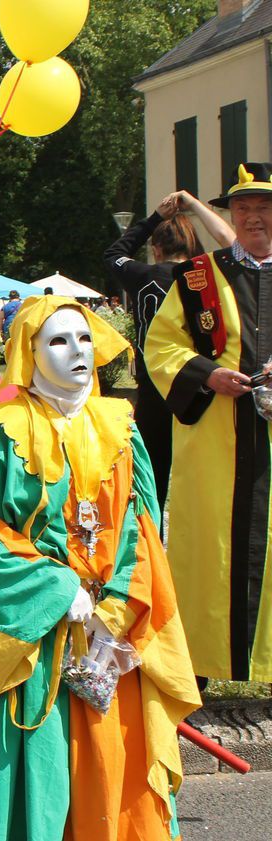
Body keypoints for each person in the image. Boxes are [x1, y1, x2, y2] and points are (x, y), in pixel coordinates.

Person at [0, 295, 200, 840]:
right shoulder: (2, 433)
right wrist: (56, 589)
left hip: (110, 636)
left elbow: (143, 529)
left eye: (83, 338)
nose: (77, 351)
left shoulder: (121, 427)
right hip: (35, 644)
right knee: (43, 770)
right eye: (57, 341)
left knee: (115, 769)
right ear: (29, 354)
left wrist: (116, 611)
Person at [146, 162, 272, 683]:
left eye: (264, 208)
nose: (253, 218)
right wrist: (207, 373)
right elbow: (161, 344)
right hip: (216, 439)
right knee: (207, 550)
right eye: (242, 208)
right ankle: (195, 665)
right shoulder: (200, 277)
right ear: (230, 214)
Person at [103, 190, 235, 508]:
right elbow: (234, 247)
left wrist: (154, 219)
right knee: (201, 473)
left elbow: (113, 254)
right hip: (198, 385)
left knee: (153, 473)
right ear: (191, 246)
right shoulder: (202, 276)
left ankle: (150, 539)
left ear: (156, 249)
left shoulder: (142, 275)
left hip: (152, 386)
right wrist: (195, 208)